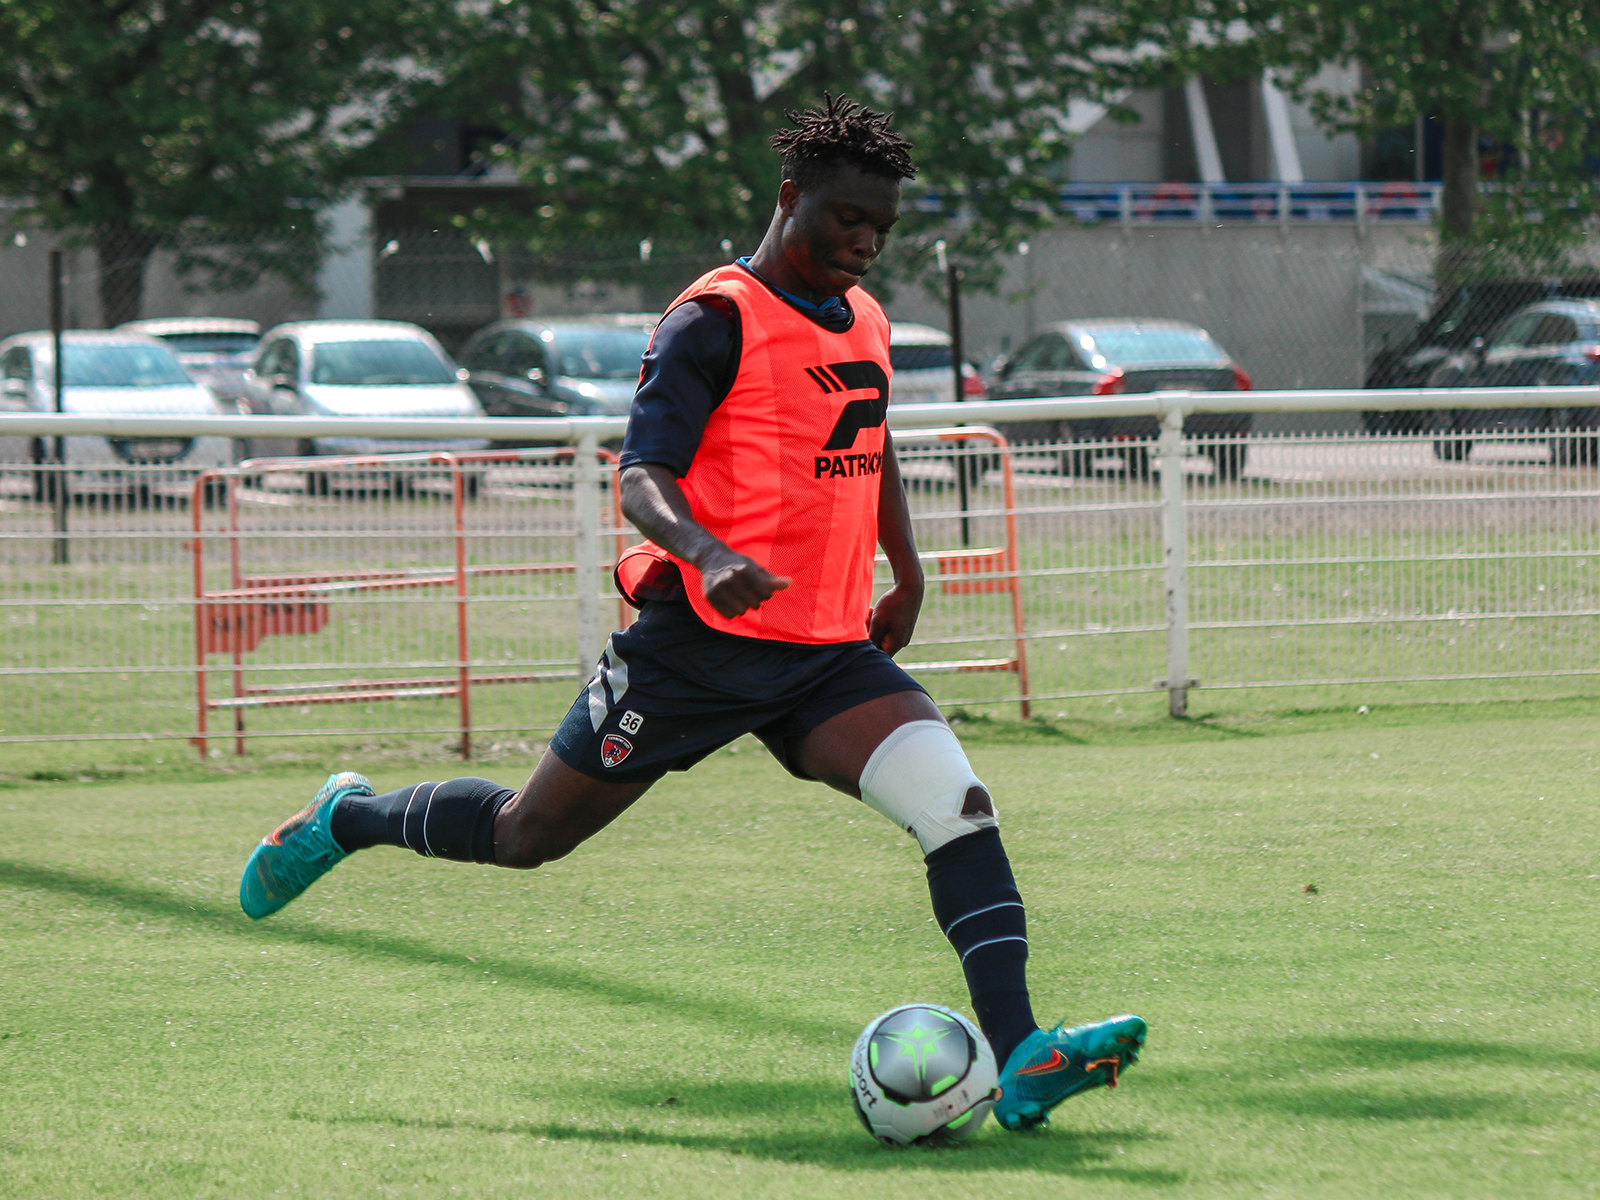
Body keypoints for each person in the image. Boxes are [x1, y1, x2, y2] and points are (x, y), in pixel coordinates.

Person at [239, 95, 1144, 1132]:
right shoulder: (711, 320)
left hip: (823, 652)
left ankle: (1021, 1050)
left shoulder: (869, 317)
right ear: (789, 196)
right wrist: (709, 556)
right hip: (694, 647)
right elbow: (640, 479)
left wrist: (907, 568)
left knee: (958, 807)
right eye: (847, 217)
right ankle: (345, 820)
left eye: (881, 229)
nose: (863, 242)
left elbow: (869, 434)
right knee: (528, 836)